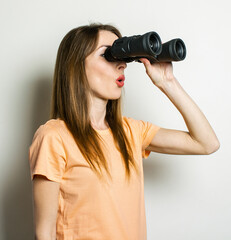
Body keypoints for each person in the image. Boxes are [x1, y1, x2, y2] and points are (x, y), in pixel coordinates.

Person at [29, 23, 219, 240]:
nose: (122, 65)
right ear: (76, 66)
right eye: (108, 55)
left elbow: (206, 143)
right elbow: (44, 233)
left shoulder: (131, 132)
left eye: (123, 56)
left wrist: (168, 82)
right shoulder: (54, 137)